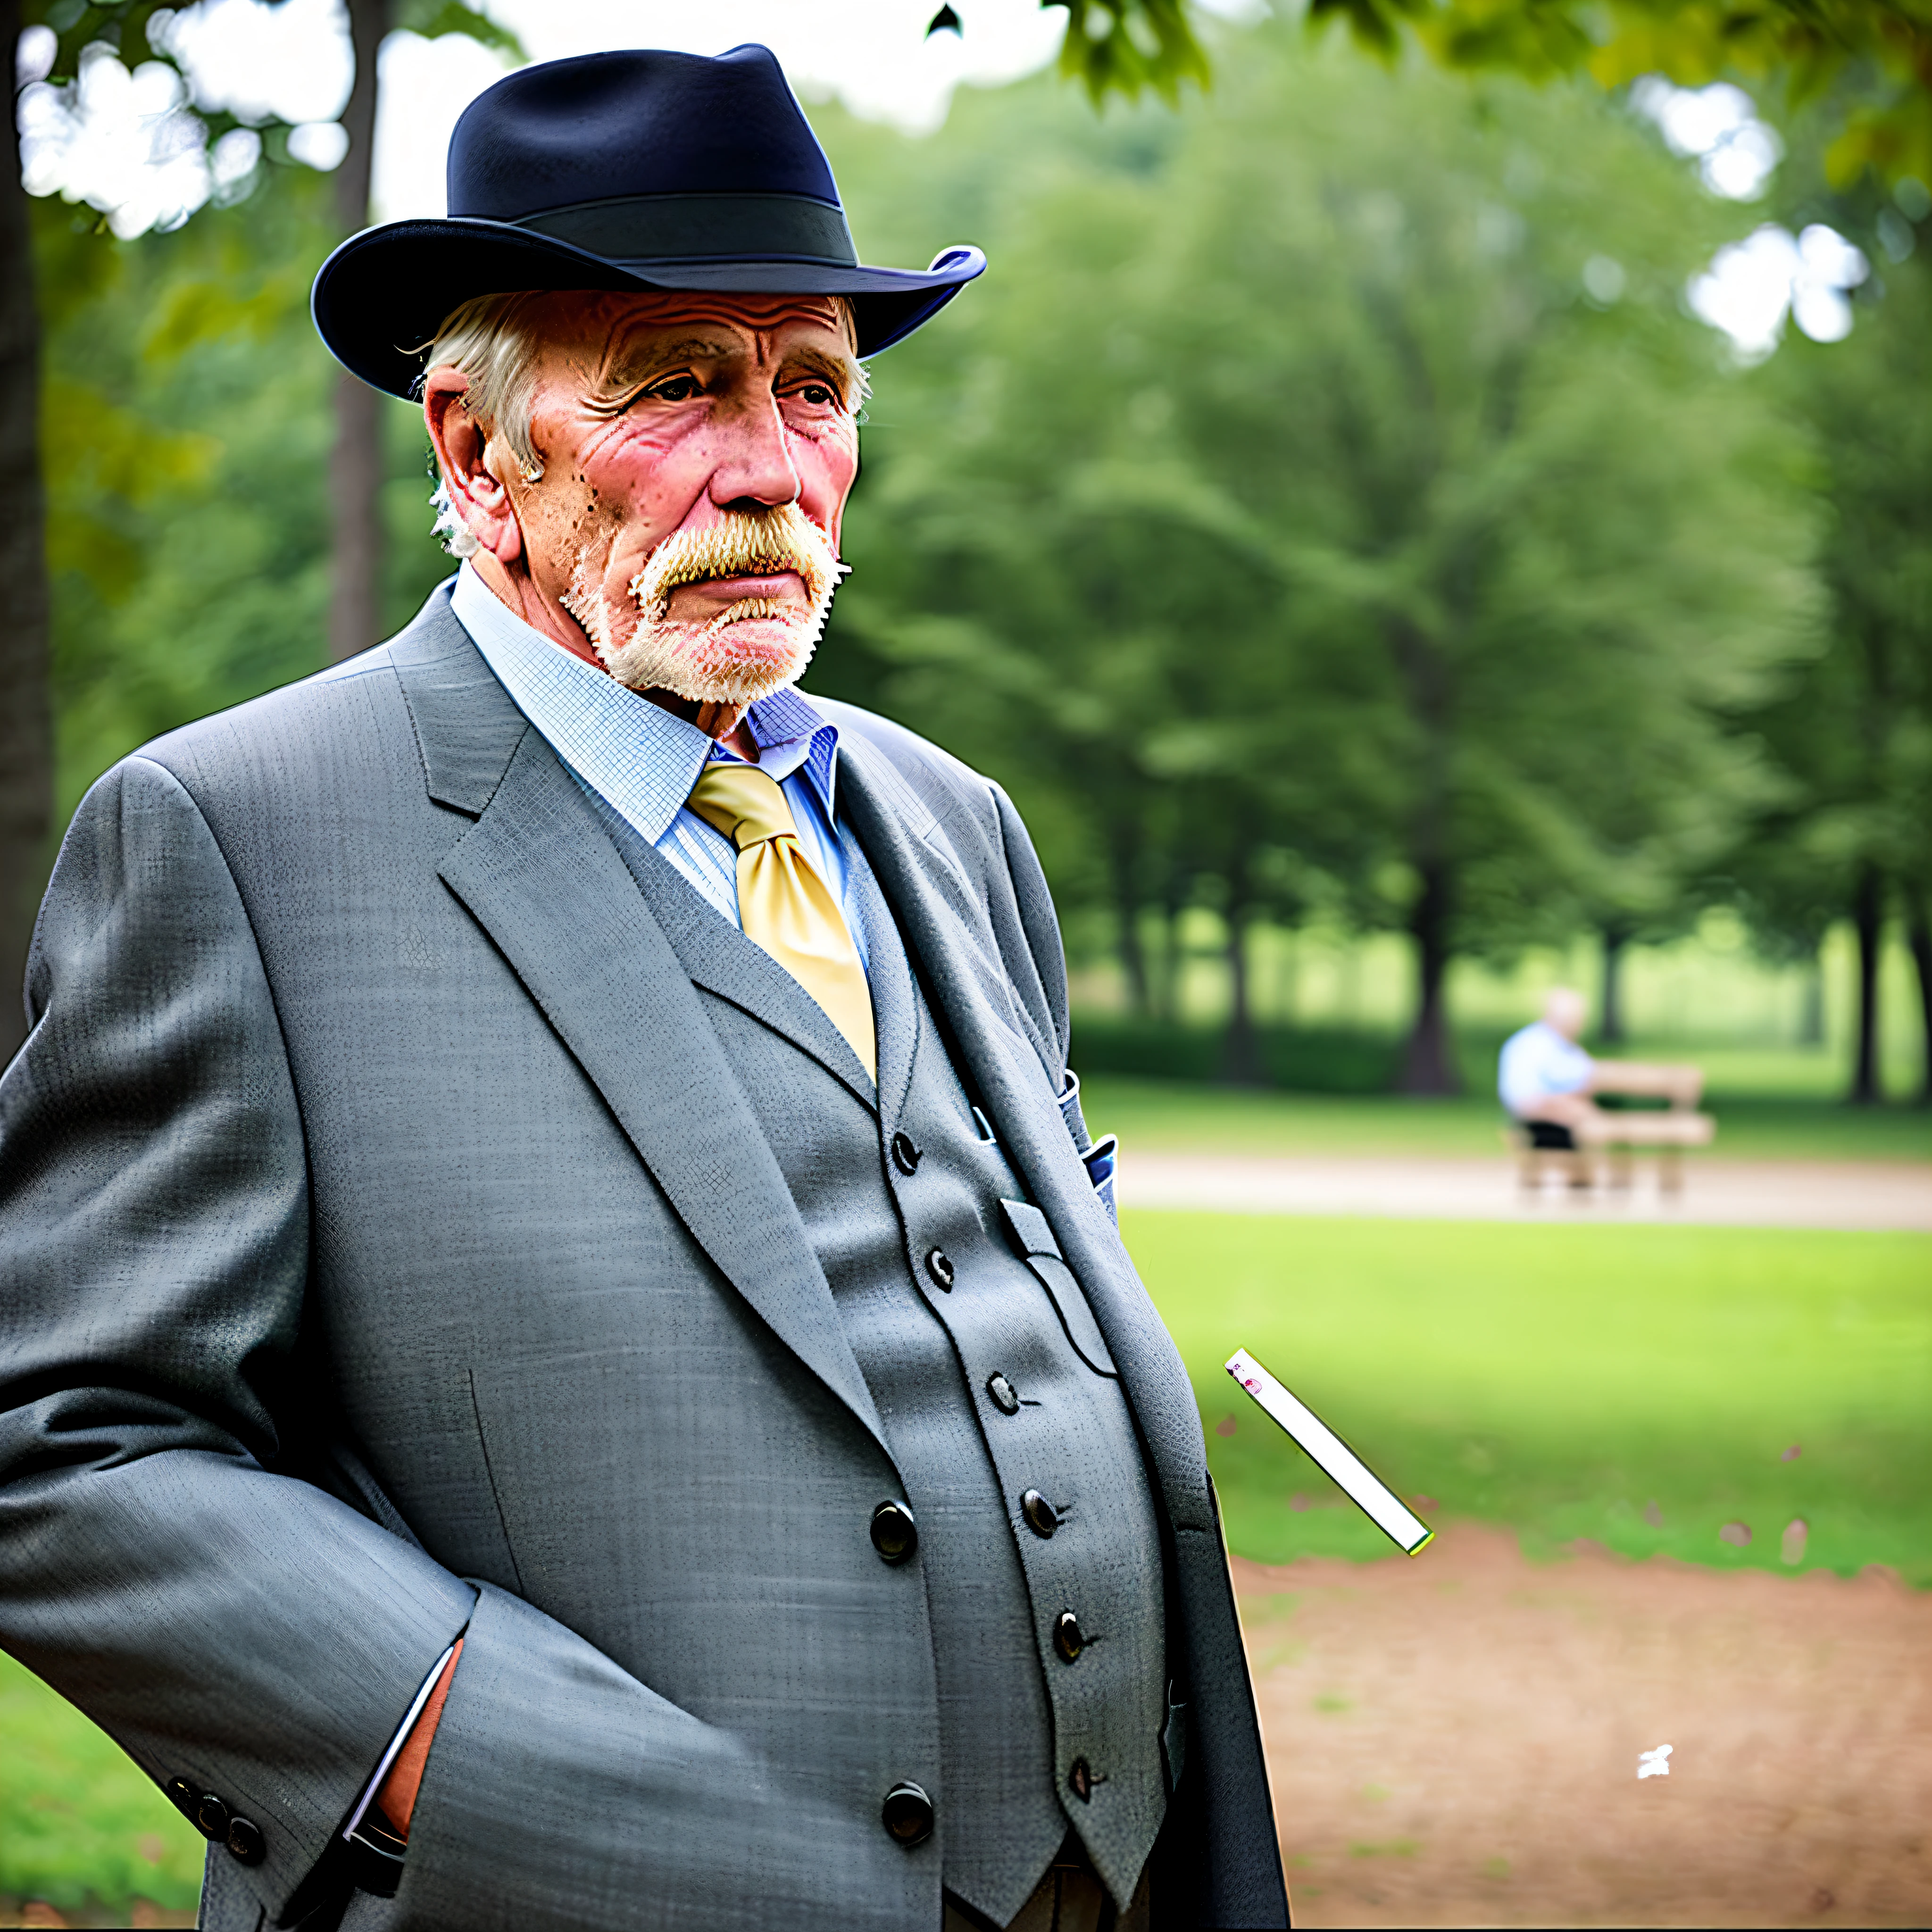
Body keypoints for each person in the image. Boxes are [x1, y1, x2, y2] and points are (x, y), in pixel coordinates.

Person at [0, 45, 1286, 1932]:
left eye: (815, 386)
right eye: (678, 386)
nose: (768, 465)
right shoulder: (234, 835)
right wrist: (461, 1751)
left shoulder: (953, 824)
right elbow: (54, 1436)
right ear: (474, 450)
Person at [1499, 988, 1710, 1146]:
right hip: (1532, 1108)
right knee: (1588, 1117)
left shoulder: (1558, 1044)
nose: (1579, 1027)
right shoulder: (1539, 1044)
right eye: (1576, 1022)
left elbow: (1582, 1075)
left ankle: (1587, 1177)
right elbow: (1581, 1078)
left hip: (1542, 1104)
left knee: (1590, 1115)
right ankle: (1585, 1177)